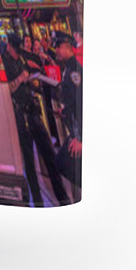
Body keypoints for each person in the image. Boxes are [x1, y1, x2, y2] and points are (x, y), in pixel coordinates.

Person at [4, 34, 69, 207]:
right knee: (30, 166)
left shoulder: (22, 60)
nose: (18, 51)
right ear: (9, 46)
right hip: (21, 116)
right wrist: (21, 79)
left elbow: (30, 75)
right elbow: (7, 90)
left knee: (50, 157)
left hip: (33, 113)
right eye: (16, 47)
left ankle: (63, 199)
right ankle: (38, 203)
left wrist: (32, 81)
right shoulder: (5, 63)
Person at [53, 32, 83, 194]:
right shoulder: (69, 68)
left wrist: (80, 138)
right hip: (75, 129)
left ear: (66, 47)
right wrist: (64, 110)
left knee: (64, 164)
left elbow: (81, 103)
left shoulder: (73, 71)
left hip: (79, 133)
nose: (55, 50)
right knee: (62, 163)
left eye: (58, 47)